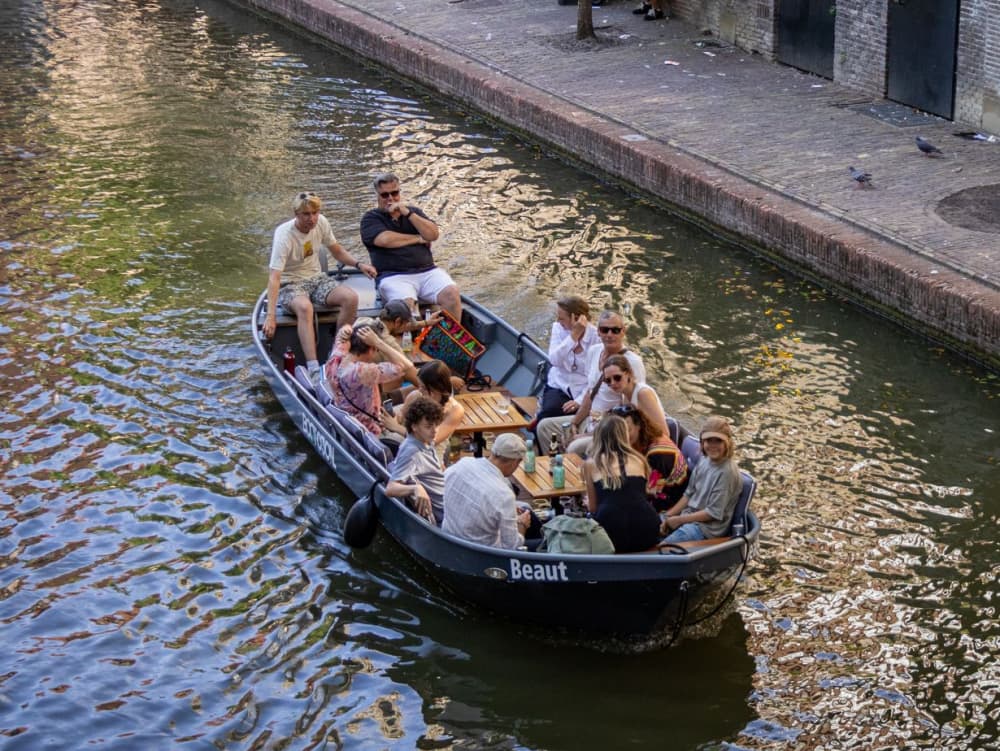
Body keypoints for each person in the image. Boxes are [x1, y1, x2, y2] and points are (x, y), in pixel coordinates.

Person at [264, 191, 377, 387]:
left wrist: (359, 265)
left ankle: (337, 356)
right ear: (296, 214)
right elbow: (275, 277)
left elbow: (337, 251)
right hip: (290, 283)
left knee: (350, 298)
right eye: (306, 214)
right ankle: (314, 367)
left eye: (315, 213)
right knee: (305, 308)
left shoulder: (321, 222)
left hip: (317, 279)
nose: (312, 218)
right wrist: (270, 316)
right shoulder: (284, 235)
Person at [536, 309, 646, 456]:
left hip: (610, 428)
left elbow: (632, 410)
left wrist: (588, 435)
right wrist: (575, 422)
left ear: (623, 331)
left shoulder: (633, 362)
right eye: (604, 330)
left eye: (615, 330)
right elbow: (590, 392)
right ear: (598, 332)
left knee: (574, 446)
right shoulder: (594, 351)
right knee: (544, 427)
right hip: (589, 419)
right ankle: (554, 468)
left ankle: (572, 474)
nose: (609, 334)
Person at [360, 172, 462, 321]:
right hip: (393, 276)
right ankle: (411, 342)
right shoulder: (371, 218)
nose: (390, 198)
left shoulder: (414, 213)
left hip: (427, 272)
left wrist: (407, 213)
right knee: (407, 306)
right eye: (385, 195)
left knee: (452, 293)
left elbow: (433, 234)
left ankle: (451, 338)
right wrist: (418, 238)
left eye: (394, 193)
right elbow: (385, 240)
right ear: (377, 195)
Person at [443, 433, 540, 550]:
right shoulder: (504, 495)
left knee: (524, 508)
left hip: (450, 538)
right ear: (515, 462)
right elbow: (512, 546)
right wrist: (522, 524)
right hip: (482, 552)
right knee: (541, 540)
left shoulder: (461, 464)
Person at [583, 414, 660, 553]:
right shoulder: (639, 459)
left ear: (599, 436)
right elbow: (641, 494)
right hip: (647, 527)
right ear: (624, 436)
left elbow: (593, 508)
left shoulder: (590, 464)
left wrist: (588, 503)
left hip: (611, 531)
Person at [324, 322, 418, 436]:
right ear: (371, 349)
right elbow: (406, 365)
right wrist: (378, 343)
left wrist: (347, 330)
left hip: (350, 422)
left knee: (414, 395)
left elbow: (343, 331)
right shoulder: (363, 372)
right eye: (376, 349)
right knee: (415, 400)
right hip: (373, 431)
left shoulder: (335, 358)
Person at [661, 415, 742, 543]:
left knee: (665, 547)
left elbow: (712, 513)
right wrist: (668, 516)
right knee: (652, 525)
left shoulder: (727, 472)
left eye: (718, 441)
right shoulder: (704, 460)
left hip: (706, 529)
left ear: (727, 443)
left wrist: (678, 520)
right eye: (709, 440)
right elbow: (688, 494)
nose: (713, 445)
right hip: (688, 516)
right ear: (702, 442)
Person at [535, 295, 600, 427]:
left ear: (576, 318)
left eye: (561, 318)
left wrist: (579, 401)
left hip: (584, 390)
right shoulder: (558, 328)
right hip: (560, 384)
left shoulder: (596, 338)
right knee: (548, 414)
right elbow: (554, 361)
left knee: (578, 417)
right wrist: (573, 336)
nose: (558, 321)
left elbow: (595, 377)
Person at [612, 403, 688, 510]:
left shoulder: (658, 455)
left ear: (638, 425)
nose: (622, 437)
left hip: (668, 499)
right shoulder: (640, 439)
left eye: (627, 430)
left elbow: (650, 492)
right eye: (618, 432)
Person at [386, 396, 447, 524]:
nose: (435, 430)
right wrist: (415, 489)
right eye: (428, 426)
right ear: (414, 427)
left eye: (437, 425)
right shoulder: (412, 451)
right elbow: (390, 489)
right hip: (446, 511)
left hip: (449, 495)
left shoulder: (424, 439)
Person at [395, 360, 466, 448]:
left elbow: (432, 441)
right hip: (405, 444)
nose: (420, 390)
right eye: (419, 386)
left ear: (437, 388)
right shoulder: (416, 396)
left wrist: (396, 427)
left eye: (424, 388)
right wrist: (393, 420)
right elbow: (400, 418)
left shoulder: (455, 410)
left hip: (431, 453)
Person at [600, 354, 669, 438]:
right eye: (608, 380)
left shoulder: (643, 393)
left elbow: (664, 433)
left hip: (649, 444)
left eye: (617, 377)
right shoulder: (624, 394)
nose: (613, 383)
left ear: (629, 373)